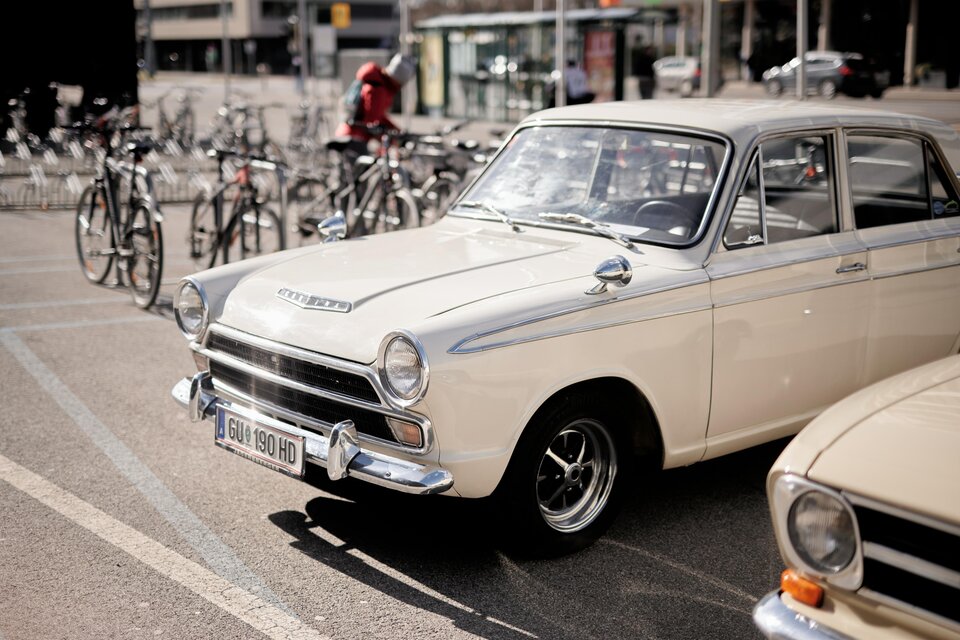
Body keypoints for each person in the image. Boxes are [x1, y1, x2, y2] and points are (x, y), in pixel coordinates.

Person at [334, 53, 416, 153]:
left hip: (349, 133)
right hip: (354, 139)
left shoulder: (376, 82)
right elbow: (371, 123)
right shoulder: (378, 90)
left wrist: (396, 130)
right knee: (365, 167)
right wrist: (394, 139)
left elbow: (377, 116)